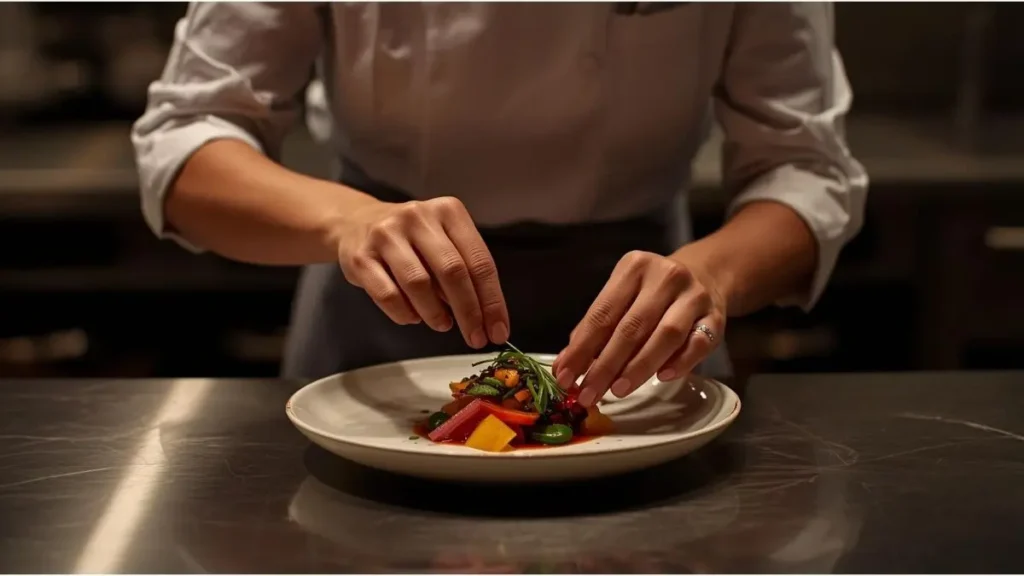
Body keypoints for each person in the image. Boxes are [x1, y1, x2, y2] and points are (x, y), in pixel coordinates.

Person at [132, 2, 866, 407]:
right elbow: (186, 141)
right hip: (378, 318)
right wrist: (349, 220)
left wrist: (713, 276)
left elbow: (805, 168)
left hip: (646, 338)